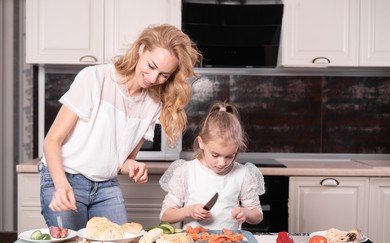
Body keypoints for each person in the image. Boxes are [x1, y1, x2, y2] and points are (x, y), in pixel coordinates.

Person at [39, 24, 201, 231]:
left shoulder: (153, 103)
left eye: (164, 75)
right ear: (141, 49)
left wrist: (132, 166)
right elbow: (52, 141)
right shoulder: (95, 78)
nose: (153, 79)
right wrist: (61, 186)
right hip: (65, 176)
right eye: (151, 66)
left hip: (105, 185)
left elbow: (123, 161)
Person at [159, 101, 265, 230]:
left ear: (237, 148)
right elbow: (165, 215)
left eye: (229, 156)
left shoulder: (243, 173)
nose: (222, 163)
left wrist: (246, 212)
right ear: (201, 143)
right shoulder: (186, 171)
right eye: (215, 155)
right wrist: (188, 211)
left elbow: (257, 216)